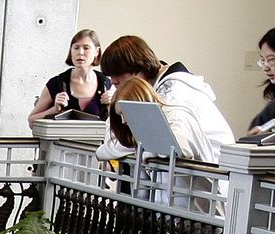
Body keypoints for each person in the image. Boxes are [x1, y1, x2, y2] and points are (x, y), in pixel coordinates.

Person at [99, 36, 234, 150]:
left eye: (118, 73)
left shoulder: (174, 93)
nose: (114, 81)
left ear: (140, 67)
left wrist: (109, 148)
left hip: (214, 166)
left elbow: (150, 143)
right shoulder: (156, 87)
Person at [28, 29, 111, 122]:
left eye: (86, 48)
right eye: (76, 48)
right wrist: (54, 110)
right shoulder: (55, 83)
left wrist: (111, 106)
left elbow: (117, 124)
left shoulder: (107, 84)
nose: (80, 52)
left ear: (97, 51)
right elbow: (31, 121)